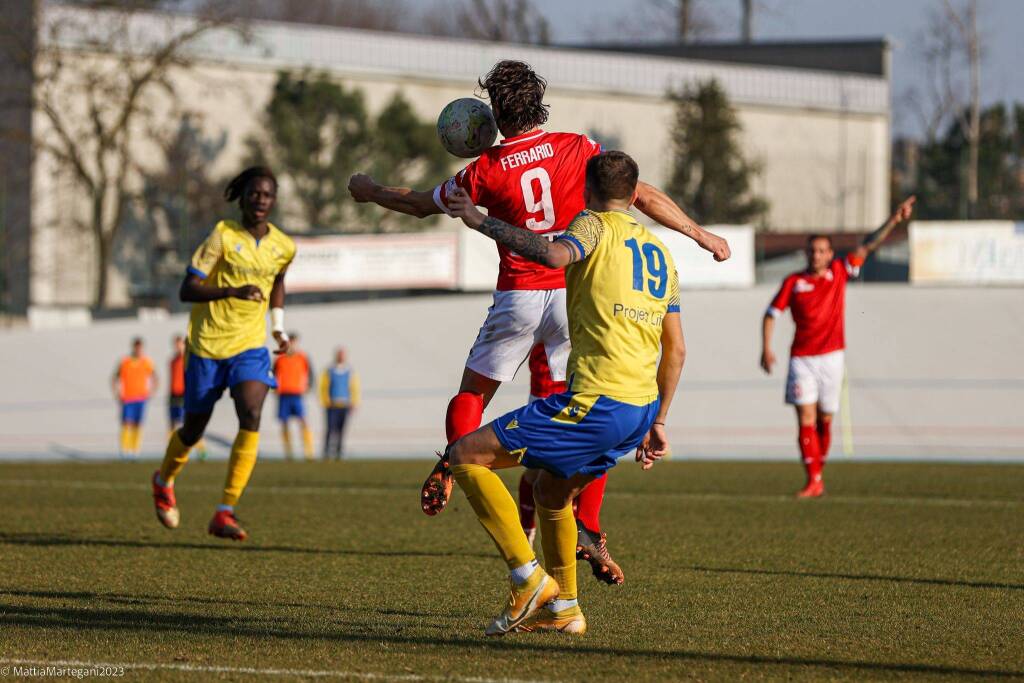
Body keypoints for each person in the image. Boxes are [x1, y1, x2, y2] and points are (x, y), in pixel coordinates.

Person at [347, 61, 723, 581]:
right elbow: (644, 194)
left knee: (472, 395)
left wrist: (369, 190)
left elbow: (417, 206)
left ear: (497, 113)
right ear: (539, 103)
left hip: (520, 294)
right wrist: (700, 234)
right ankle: (586, 525)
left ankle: (461, 465)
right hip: (573, 298)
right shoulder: (578, 147)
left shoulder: (485, 169)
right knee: (579, 418)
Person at [440, 151, 686, 636]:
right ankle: (565, 607)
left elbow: (554, 255)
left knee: (466, 454)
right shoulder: (659, 250)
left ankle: (528, 579)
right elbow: (675, 350)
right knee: (552, 492)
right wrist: (658, 422)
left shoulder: (591, 225)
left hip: (597, 401)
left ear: (586, 193)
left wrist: (478, 219)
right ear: (636, 196)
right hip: (638, 410)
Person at [150, 166, 295, 541]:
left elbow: (277, 282)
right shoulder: (222, 236)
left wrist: (277, 325)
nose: (260, 200)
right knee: (194, 428)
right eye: (254, 193)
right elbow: (187, 289)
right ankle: (163, 479)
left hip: (249, 346)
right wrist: (231, 291)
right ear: (242, 197)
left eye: (267, 195)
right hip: (207, 346)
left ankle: (224, 511)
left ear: (273, 201)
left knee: (251, 411)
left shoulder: (284, 246)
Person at [761, 196, 916, 498]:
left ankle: (817, 472)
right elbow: (770, 314)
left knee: (825, 419)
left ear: (830, 254)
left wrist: (894, 219)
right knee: (805, 418)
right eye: (812, 250)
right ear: (806, 253)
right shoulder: (794, 282)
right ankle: (813, 479)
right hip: (802, 360)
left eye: (821, 251)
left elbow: (868, 245)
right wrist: (766, 348)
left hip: (832, 358)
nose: (816, 255)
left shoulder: (840, 272)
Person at [518, 344, 621, 585]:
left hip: (584, 388)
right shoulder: (552, 306)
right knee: (538, 474)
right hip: (548, 392)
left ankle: (584, 530)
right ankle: (527, 530)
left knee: (591, 455)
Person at [112, 337, 156, 460]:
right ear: (133, 347)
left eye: (140, 347)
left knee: (138, 424)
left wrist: (151, 392)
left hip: (141, 398)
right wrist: (117, 393)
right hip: (128, 398)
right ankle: (124, 449)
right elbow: (115, 377)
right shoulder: (125, 361)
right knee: (126, 423)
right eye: (136, 347)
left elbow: (155, 376)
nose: (138, 350)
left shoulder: (146, 362)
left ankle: (135, 449)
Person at [273, 332, 315, 461]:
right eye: (290, 341)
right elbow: (272, 374)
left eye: (294, 341)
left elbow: (311, 374)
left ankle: (309, 452)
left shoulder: (302, 357)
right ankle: (288, 452)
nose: (292, 344)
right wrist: (274, 388)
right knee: (284, 423)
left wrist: (309, 386)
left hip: (297, 394)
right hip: (283, 394)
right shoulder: (279, 359)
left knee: (303, 421)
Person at [168, 335, 207, 461]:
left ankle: (201, 449)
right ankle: (171, 449)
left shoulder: (188, 359)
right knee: (173, 423)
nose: (178, 347)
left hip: (185, 394)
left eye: (180, 344)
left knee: (190, 423)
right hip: (174, 394)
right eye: (176, 344)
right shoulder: (173, 360)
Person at [319, 347, 360, 461]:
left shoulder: (349, 371)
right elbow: (323, 387)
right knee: (330, 429)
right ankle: (326, 451)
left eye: (343, 355)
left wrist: (354, 402)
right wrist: (325, 401)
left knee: (341, 430)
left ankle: (339, 451)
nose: (341, 357)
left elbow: (354, 388)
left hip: (345, 405)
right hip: (332, 405)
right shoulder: (329, 370)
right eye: (339, 355)